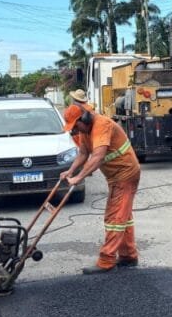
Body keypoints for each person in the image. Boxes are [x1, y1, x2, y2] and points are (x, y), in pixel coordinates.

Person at [60, 104, 141, 274]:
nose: (74, 130)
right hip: (115, 176)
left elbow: (97, 156)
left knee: (114, 217)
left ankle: (106, 260)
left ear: (84, 119)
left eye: (75, 126)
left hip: (125, 174)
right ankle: (128, 256)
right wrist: (70, 171)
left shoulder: (101, 125)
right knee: (123, 216)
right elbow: (83, 154)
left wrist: (78, 178)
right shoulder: (85, 130)